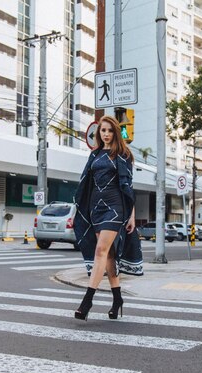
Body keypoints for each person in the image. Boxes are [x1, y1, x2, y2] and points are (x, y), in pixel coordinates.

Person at [72, 115, 143, 321]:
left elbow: (128, 187)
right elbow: (86, 183)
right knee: (109, 255)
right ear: (98, 133)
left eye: (110, 130)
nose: (106, 134)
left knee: (100, 250)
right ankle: (117, 299)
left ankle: (87, 301)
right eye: (102, 130)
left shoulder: (123, 155)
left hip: (115, 207)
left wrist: (131, 216)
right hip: (96, 209)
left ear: (115, 133)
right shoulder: (93, 156)